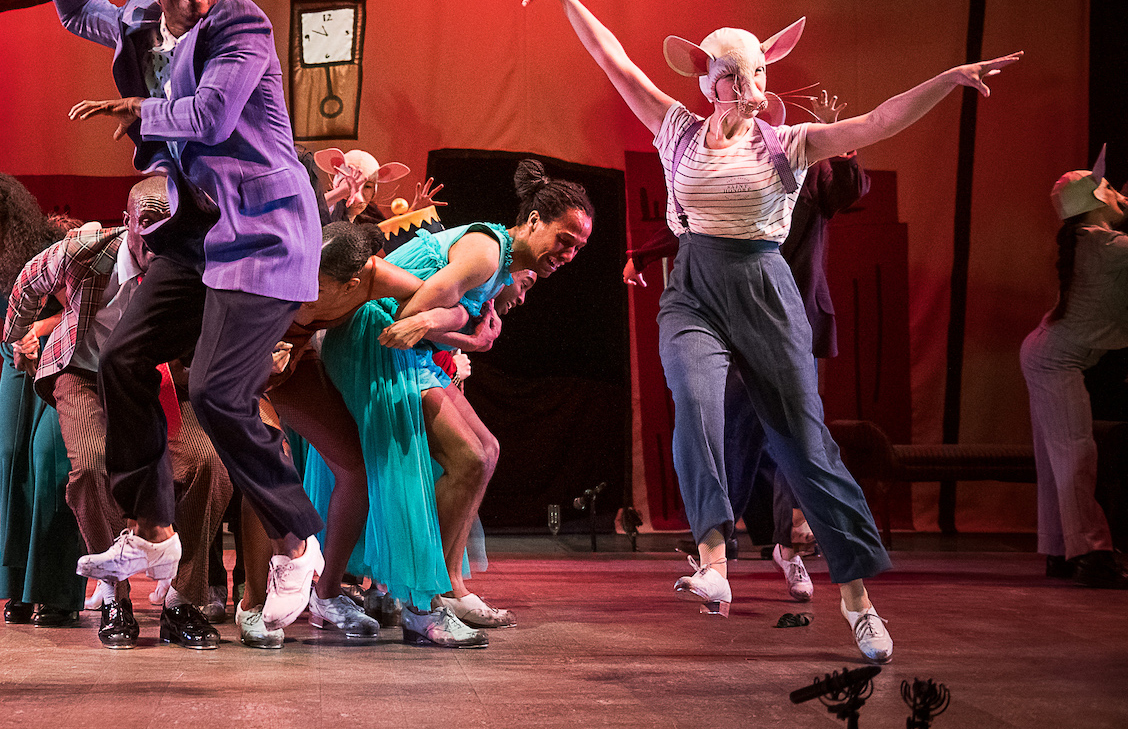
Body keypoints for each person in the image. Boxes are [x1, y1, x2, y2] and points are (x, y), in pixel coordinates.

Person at [512, 0, 1021, 663]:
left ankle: (857, 602)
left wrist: (946, 80)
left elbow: (876, 122)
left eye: (757, 75)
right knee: (694, 400)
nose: (752, 90)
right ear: (710, 81)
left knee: (803, 445)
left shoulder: (792, 143)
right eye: (736, 77)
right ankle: (715, 564)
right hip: (693, 287)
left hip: (764, 289)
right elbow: (615, 61)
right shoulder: (676, 128)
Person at [16, 0, 326, 632]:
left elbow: (215, 116)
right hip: (197, 226)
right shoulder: (139, 23)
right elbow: (79, 9)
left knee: (220, 397)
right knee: (122, 357)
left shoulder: (239, 22)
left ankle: (300, 541)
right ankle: (153, 535)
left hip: (260, 226)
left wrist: (140, 110)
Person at [314, 161, 592, 647]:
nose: (569, 253)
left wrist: (470, 336)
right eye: (564, 238)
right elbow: (411, 310)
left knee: (484, 452)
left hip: (403, 345)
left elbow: (436, 316)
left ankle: (442, 588)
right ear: (532, 222)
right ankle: (426, 601)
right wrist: (463, 331)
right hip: (374, 340)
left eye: (579, 248)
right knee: (458, 458)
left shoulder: (502, 260)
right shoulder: (486, 252)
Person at [625, 94, 869, 601]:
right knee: (725, 424)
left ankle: (793, 551)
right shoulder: (723, 171)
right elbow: (695, 229)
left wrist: (844, 149)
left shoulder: (805, 167)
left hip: (786, 313)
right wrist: (642, 256)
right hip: (724, 314)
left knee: (795, 441)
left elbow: (850, 188)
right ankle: (717, 548)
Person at [2, 175, 235, 649]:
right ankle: (114, 594)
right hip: (84, 373)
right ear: (126, 221)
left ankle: (180, 602)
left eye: (169, 225)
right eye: (147, 223)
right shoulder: (86, 250)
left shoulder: (195, 258)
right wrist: (17, 336)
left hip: (157, 376)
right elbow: (28, 281)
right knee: (90, 469)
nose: (158, 238)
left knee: (211, 466)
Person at [237, 220, 488, 648]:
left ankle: (328, 592)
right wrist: (258, 363)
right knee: (267, 466)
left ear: (354, 283)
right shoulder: (280, 268)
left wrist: (455, 332)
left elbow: (454, 305)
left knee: (355, 469)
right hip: (245, 367)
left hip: (295, 365)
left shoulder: (376, 277)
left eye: (317, 283)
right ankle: (252, 604)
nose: (305, 287)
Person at [0, 171, 87, 625]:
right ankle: (22, 587)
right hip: (18, 360)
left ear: (7, 222)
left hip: (64, 360)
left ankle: (59, 592)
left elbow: (81, 308)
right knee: (10, 456)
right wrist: (19, 341)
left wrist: (38, 331)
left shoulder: (46, 249)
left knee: (49, 461)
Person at [1020, 151, 1128, 589]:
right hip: (1055, 361)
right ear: (1095, 203)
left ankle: (1063, 550)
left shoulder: (1093, 240)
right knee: (1074, 455)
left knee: (1057, 461)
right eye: (1112, 193)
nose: (1119, 196)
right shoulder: (1103, 244)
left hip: (1047, 355)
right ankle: (1092, 553)